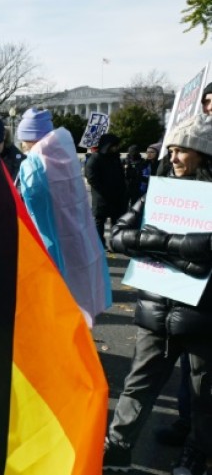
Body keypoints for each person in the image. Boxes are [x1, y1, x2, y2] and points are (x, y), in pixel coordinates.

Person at [102, 119, 212, 475]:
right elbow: (118, 236)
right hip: (155, 309)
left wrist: (155, 246)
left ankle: (195, 456)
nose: (175, 157)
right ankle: (116, 448)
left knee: (204, 396)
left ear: (203, 153)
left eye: (183, 149)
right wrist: (175, 249)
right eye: (172, 150)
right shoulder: (158, 195)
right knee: (138, 384)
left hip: (203, 315)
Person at [15, 107, 111, 326]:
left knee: (55, 304)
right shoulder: (64, 154)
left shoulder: (33, 164)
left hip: (51, 243)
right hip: (80, 237)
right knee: (80, 297)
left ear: (30, 138)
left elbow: (31, 209)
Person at [85, 133, 127, 248]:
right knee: (99, 221)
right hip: (101, 197)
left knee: (116, 221)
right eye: (114, 145)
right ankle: (99, 244)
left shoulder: (115, 158)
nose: (116, 148)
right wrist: (103, 190)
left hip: (116, 196)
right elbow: (91, 177)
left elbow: (120, 176)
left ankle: (114, 244)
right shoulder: (96, 158)